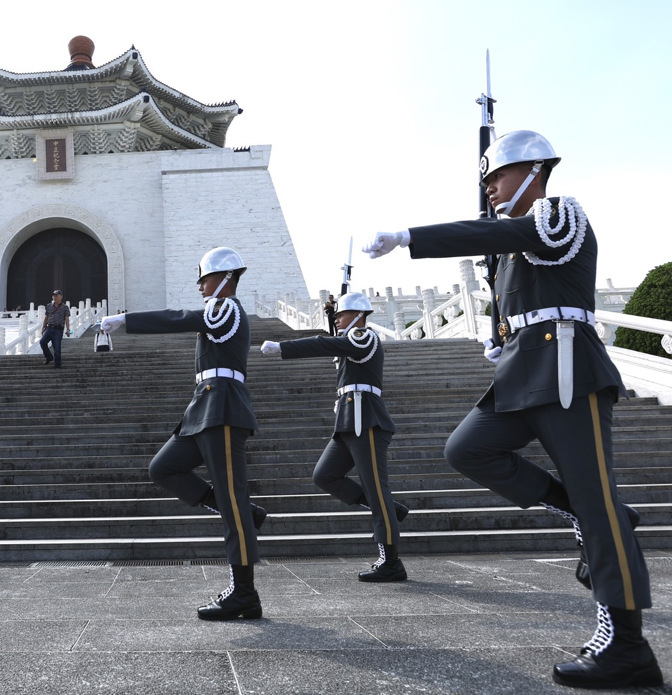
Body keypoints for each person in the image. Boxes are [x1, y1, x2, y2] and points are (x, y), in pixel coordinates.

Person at [363, 130, 662, 689]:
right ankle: (584, 512)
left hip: (568, 372)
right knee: (468, 449)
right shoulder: (508, 249)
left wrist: (410, 236)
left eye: (497, 176)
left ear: (533, 171)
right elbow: (514, 278)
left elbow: (511, 233)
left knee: (599, 504)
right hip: (522, 373)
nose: (491, 188)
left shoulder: (558, 212)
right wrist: (502, 332)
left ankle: (626, 645)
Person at [100, 247, 266, 621]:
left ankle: (244, 594)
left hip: (223, 408)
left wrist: (127, 320)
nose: (201, 287)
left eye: (204, 279)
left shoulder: (226, 308)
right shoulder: (218, 309)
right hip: (204, 406)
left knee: (232, 503)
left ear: (225, 278)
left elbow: (182, 318)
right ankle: (240, 510)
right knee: (164, 467)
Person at [261, 292, 409, 582]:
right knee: (325, 475)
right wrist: (334, 317)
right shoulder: (350, 341)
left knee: (377, 491)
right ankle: (390, 510)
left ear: (357, 315)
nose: (336, 319)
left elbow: (324, 343)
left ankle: (391, 561)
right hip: (347, 421)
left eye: (340, 315)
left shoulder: (365, 337)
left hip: (366, 420)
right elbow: (335, 342)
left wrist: (283, 347)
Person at [40, 290, 71, 368]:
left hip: (58, 330)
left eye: (56, 296)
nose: (54, 297)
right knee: (42, 342)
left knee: (57, 348)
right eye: (53, 296)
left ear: (61, 297)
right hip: (49, 328)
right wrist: (43, 327)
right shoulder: (49, 306)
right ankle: (49, 357)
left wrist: (68, 329)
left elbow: (67, 318)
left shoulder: (65, 307)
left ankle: (57, 365)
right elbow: (46, 317)